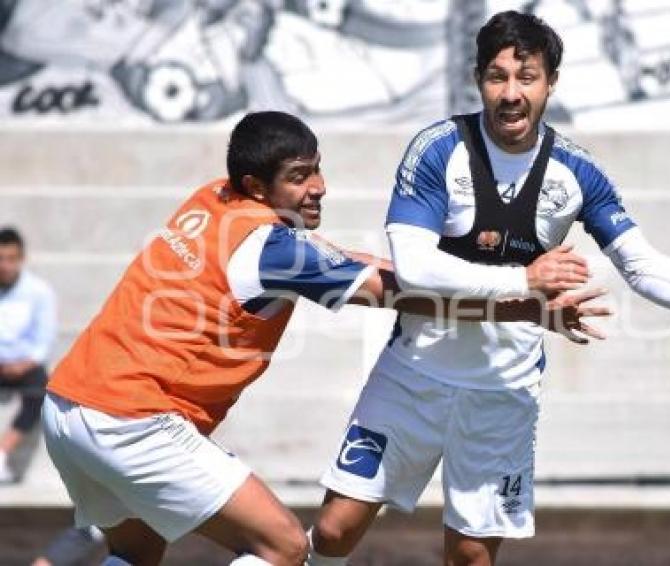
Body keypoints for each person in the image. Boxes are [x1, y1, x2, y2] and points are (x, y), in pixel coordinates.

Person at [307, 10, 670, 566]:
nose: (511, 93)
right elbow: (414, 266)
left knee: (470, 557)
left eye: (526, 77)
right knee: (335, 531)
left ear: (550, 82)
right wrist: (524, 279)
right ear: (477, 79)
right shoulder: (437, 150)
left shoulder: (577, 172)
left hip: (502, 393)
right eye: (497, 76)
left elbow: (638, 261)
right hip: (414, 372)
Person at [41, 110, 605, 566]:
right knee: (284, 548)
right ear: (256, 185)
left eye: (317, 169)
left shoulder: (214, 198)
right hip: (135, 418)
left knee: (136, 551)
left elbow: (339, 260)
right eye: (299, 176)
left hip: (69, 405)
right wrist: (521, 298)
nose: (319, 187)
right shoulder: (274, 248)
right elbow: (390, 292)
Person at [0, 226, 56, 484]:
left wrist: (23, 364)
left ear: (20, 259)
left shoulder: (39, 291)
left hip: (25, 365)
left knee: (40, 393)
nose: (5, 266)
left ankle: (2, 452)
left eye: (11, 259)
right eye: (0, 259)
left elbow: (43, 340)